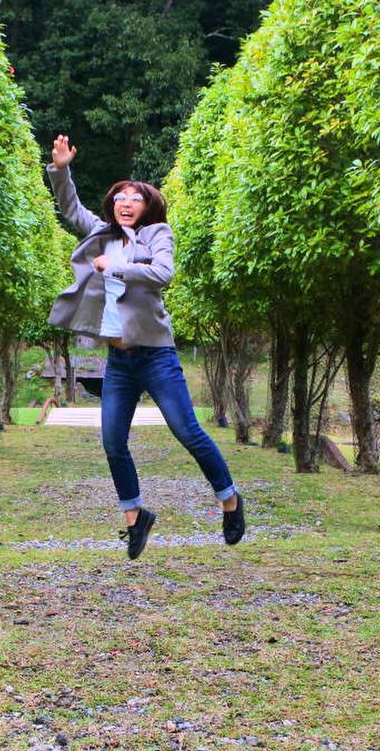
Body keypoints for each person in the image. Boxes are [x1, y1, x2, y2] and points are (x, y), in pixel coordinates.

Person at [45, 134, 245, 559]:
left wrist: (118, 266)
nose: (126, 202)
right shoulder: (101, 234)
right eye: (120, 196)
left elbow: (163, 273)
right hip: (119, 360)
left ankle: (229, 499)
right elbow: (69, 209)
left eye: (135, 198)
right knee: (112, 441)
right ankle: (136, 517)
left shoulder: (157, 234)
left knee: (187, 430)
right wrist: (61, 170)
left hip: (156, 355)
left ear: (147, 205)